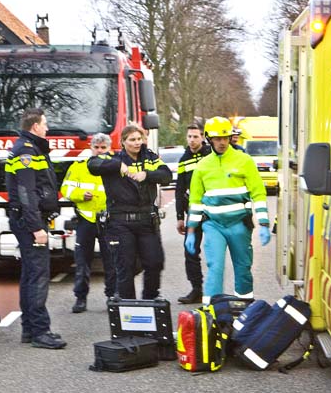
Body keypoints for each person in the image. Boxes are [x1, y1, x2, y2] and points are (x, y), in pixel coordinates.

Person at [185, 116, 270, 305]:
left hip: (240, 224)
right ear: (209, 139)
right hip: (214, 225)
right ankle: (211, 311)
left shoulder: (244, 161)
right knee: (215, 267)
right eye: (217, 138)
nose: (222, 142)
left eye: (225, 138)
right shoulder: (203, 166)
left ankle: (245, 308)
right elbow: (196, 201)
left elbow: (258, 193)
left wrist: (264, 223)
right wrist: (191, 230)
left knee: (243, 268)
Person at [88, 123, 171, 299]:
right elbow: (93, 164)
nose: (137, 143)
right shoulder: (113, 158)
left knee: (154, 262)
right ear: (123, 142)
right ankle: (128, 305)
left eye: (139, 139)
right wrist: (118, 166)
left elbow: (166, 175)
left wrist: (147, 175)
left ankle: (150, 299)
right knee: (125, 266)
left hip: (146, 221)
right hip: (121, 222)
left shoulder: (150, 158)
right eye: (132, 139)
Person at [6, 107, 66, 349]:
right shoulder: (26, 151)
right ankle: (41, 331)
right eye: (45, 123)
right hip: (30, 221)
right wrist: (36, 227)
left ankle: (29, 329)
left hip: (30, 219)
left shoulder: (31, 148)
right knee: (38, 275)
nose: (47, 128)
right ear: (35, 127)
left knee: (31, 274)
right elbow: (26, 193)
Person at [60, 133, 116, 313]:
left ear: (109, 149)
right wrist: (80, 196)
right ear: (91, 147)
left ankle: (112, 296)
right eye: (96, 147)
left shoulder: (116, 167)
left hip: (109, 220)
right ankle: (80, 298)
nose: (99, 151)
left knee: (111, 260)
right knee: (82, 260)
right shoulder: (79, 166)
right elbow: (66, 188)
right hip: (86, 219)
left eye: (103, 148)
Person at [175, 123, 212, 304]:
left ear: (202, 138)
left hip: (213, 210)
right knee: (190, 252)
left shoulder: (211, 154)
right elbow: (179, 189)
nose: (191, 140)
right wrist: (180, 217)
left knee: (214, 251)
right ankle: (196, 289)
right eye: (189, 136)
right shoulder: (184, 159)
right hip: (193, 212)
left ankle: (213, 290)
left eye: (195, 136)